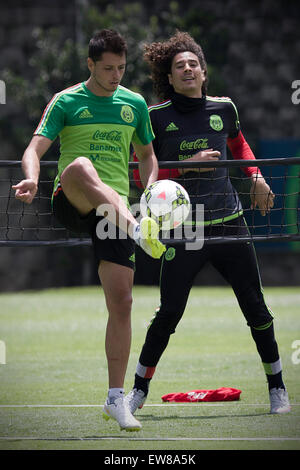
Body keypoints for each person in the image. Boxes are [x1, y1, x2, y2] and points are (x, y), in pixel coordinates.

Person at [126, 31, 291, 415]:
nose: (187, 69)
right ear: (169, 77)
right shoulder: (154, 118)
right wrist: (188, 165)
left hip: (230, 222)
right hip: (184, 230)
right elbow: (141, 175)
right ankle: (136, 391)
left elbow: (239, 145)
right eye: (178, 65)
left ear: (203, 72)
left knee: (257, 309)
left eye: (192, 64)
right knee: (168, 314)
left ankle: (277, 388)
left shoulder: (224, 108)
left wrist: (255, 176)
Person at [12, 29, 166, 432]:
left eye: (121, 68)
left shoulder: (134, 104)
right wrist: (30, 178)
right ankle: (137, 228)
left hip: (114, 214)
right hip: (74, 198)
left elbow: (149, 158)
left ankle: (117, 400)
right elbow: (34, 150)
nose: (116, 76)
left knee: (123, 302)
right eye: (108, 69)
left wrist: (149, 191)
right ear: (90, 64)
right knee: (79, 165)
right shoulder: (65, 101)